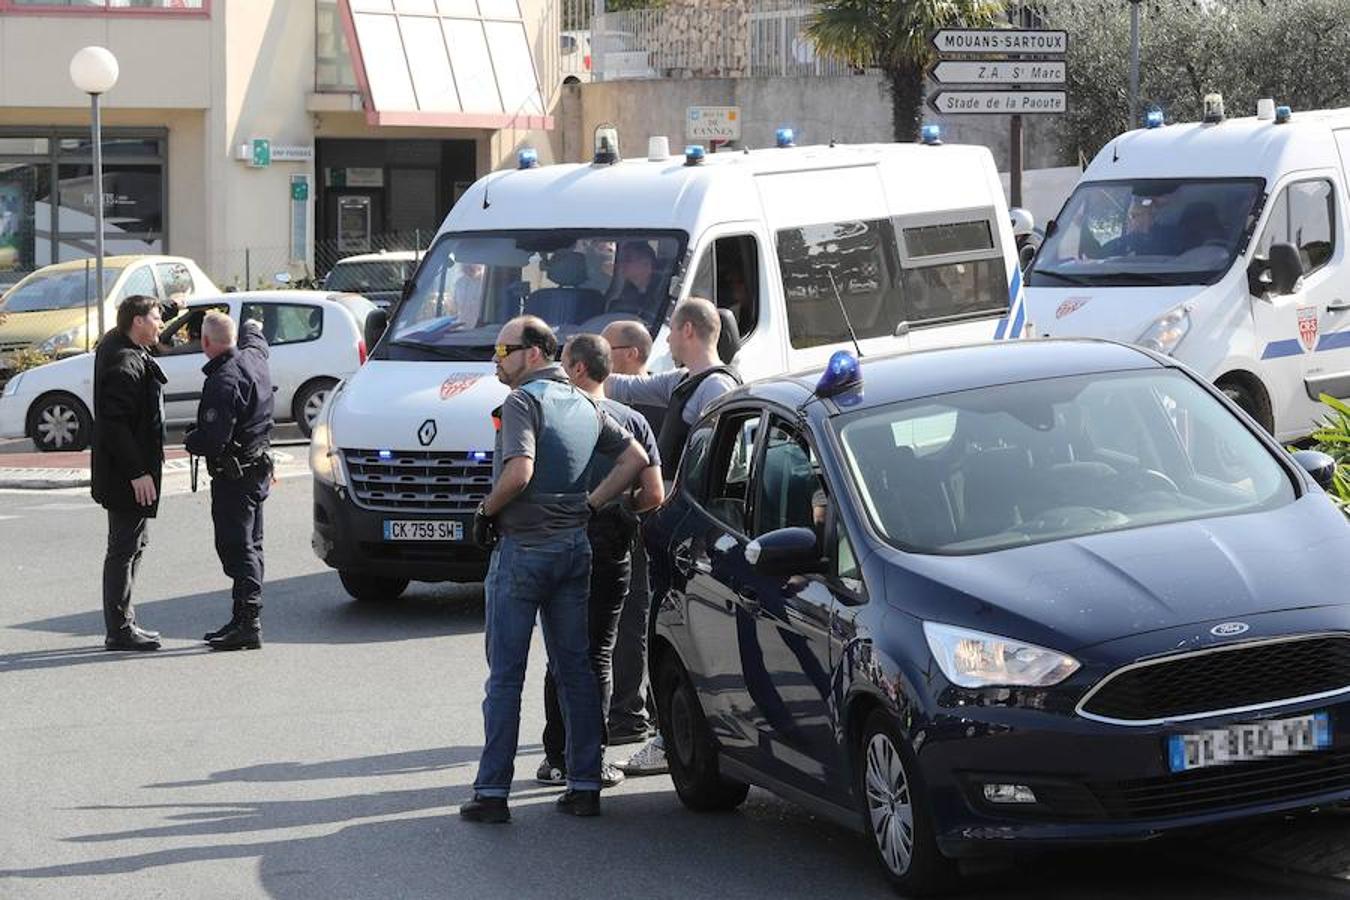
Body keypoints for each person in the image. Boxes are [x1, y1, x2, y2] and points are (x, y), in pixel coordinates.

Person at [460, 315, 648, 824]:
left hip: (523, 552)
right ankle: (584, 784)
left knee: (505, 679)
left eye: (503, 352)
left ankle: (492, 793)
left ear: (534, 354)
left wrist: (483, 511)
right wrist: (589, 505)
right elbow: (633, 458)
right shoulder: (587, 404)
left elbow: (518, 471)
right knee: (576, 671)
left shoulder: (524, 401)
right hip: (573, 552)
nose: (496, 361)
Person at [603, 297, 742, 775]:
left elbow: (721, 465)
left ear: (687, 330)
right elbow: (626, 385)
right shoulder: (688, 382)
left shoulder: (716, 388)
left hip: (688, 532)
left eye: (670, 332)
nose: (663, 341)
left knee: (672, 632)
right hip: (671, 527)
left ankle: (671, 735)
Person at [535, 334, 664, 789]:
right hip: (610, 549)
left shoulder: (552, 419)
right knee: (598, 655)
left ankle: (555, 756)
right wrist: (620, 508)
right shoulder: (634, 422)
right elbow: (654, 495)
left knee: (560, 653)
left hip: (553, 544)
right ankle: (592, 758)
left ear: (576, 369)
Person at [184, 311, 275, 652]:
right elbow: (257, 340)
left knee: (238, 548)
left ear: (206, 343)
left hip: (235, 478)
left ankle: (249, 622)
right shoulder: (254, 357)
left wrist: (191, 439)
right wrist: (252, 323)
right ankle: (241, 618)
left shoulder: (223, 381)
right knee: (252, 544)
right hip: (257, 470)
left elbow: (212, 440)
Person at [600, 318, 664, 745]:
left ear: (631, 354)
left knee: (617, 629)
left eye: (610, 347)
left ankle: (622, 714)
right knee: (636, 624)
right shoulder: (659, 400)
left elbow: (655, 489)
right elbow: (653, 490)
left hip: (623, 532)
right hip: (636, 528)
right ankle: (631, 713)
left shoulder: (641, 408)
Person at [92, 294, 167, 652]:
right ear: (137, 321)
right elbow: (115, 424)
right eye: (155, 317)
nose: (161, 324)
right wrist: (138, 472)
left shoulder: (119, 344)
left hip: (127, 472)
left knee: (133, 545)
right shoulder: (124, 361)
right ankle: (119, 629)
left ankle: (124, 623)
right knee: (124, 548)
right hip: (126, 476)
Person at [607, 241, 660, 315]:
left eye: (628, 259)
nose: (621, 264)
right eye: (621, 259)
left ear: (646, 265)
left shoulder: (659, 298)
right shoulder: (625, 295)